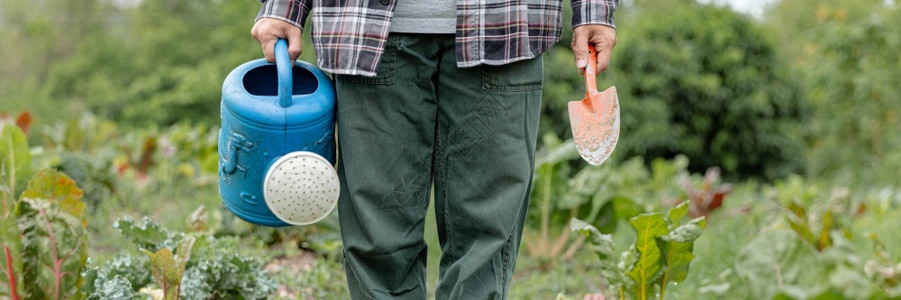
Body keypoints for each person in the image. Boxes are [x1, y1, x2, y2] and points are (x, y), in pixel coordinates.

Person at [251, 0, 617, 298]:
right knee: (379, 242)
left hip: (507, 27)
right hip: (366, 31)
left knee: (486, 241)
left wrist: (595, 8)